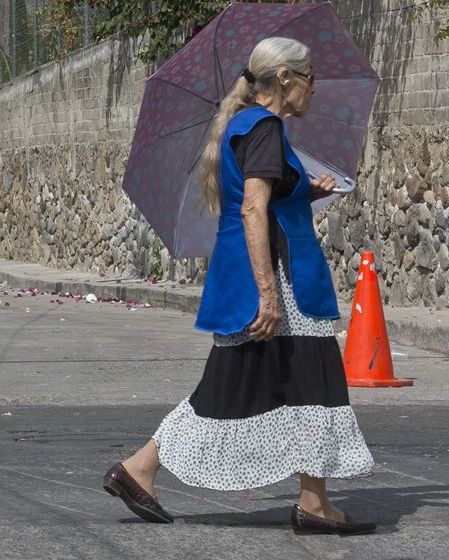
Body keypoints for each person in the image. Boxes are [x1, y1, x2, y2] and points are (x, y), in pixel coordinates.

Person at [103, 36, 376, 535]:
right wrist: (268, 295)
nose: (314, 88)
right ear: (286, 80)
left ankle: (143, 471)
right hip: (277, 282)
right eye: (310, 78)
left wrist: (301, 189)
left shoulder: (248, 125)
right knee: (283, 382)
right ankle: (142, 469)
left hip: (252, 275)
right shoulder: (266, 127)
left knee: (275, 382)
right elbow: (253, 207)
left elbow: (264, 198)